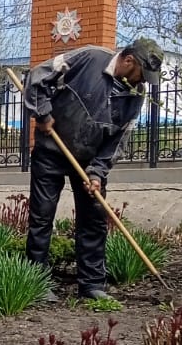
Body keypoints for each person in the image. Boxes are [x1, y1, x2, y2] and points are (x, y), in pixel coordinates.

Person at [23, 36, 164, 301]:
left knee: (94, 220)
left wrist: (98, 172)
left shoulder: (135, 96)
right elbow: (37, 76)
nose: (142, 82)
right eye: (141, 75)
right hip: (52, 150)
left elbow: (118, 139)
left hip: (89, 160)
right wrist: (42, 113)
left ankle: (92, 285)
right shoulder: (89, 58)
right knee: (41, 218)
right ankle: (37, 283)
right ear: (129, 60)